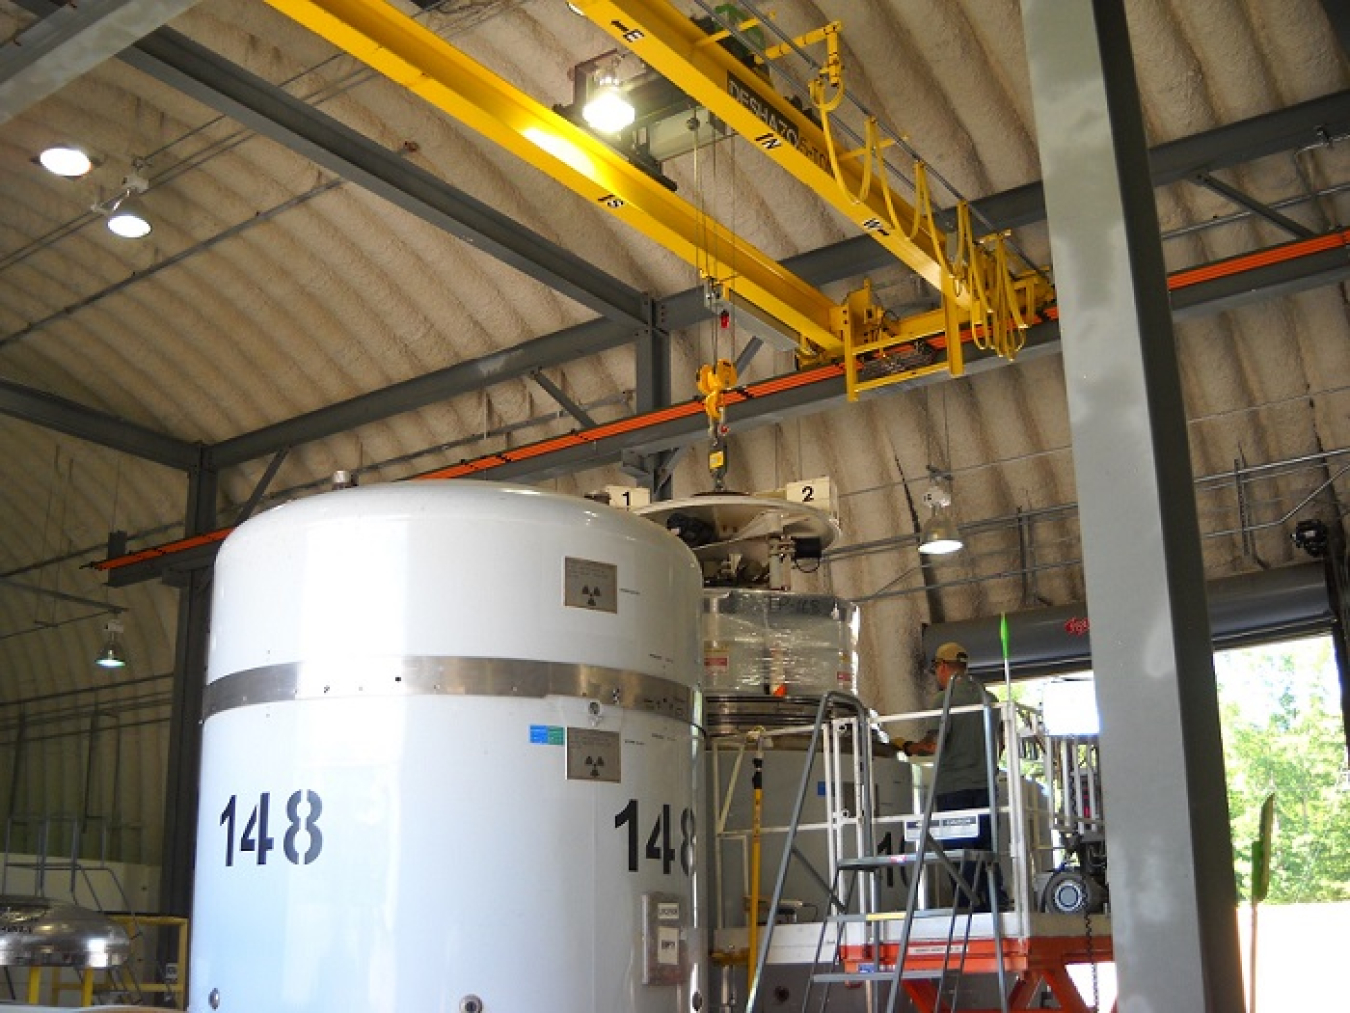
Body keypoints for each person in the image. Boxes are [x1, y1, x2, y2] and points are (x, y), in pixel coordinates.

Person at [900, 641, 1008, 912]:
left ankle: (965, 907)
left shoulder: (944, 699)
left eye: (936, 667)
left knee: (959, 854)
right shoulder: (989, 699)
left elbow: (934, 745)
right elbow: (1001, 743)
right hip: (985, 788)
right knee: (986, 851)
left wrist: (906, 746)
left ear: (944, 666)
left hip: (954, 790)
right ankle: (995, 902)